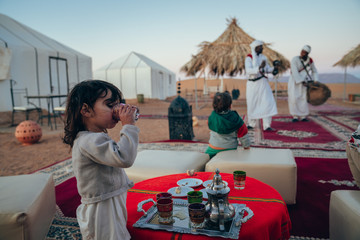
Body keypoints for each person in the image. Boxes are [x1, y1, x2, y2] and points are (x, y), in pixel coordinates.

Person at [62, 80, 139, 240]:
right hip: (101, 209)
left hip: (110, 199)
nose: (117, 110)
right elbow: (124, 158)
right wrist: (128, 125)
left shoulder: (96, 137)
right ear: (86, 110)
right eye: (110, 105)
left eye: (118, 105)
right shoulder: (88, 141)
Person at [245, 40, 279, 131]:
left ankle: (267, 125)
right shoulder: (249, 58)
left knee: (267, 102)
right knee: (252, 103)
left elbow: (266, 69)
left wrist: (273, 69)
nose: (262, 48)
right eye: (261, 47)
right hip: (252, 84)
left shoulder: (263, 57)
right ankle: (251, 124)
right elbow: (248, 70)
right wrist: (259, 67)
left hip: (262, 83)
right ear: (256, 48)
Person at [205, 92, 250, 158]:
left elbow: (208, 123)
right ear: (230, 105)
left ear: (214, 105)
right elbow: (243, 134)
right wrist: (246, 147)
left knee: (205, 158)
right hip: (230, 149)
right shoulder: (236, 118)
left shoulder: (213, 116)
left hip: (213, 148)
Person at [288, 45, 319, 122]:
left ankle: (303, 116)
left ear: (307, 53)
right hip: (294, 81)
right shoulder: (295, 59)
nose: (302, 53)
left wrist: (315, 80)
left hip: (304, 82)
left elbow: (314, 71)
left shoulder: (310, 61)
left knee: (303, 98)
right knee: (293, 98)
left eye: (304, 52)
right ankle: (295, 116)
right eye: (302, 51)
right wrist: (301, 81)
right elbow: (294, 72)